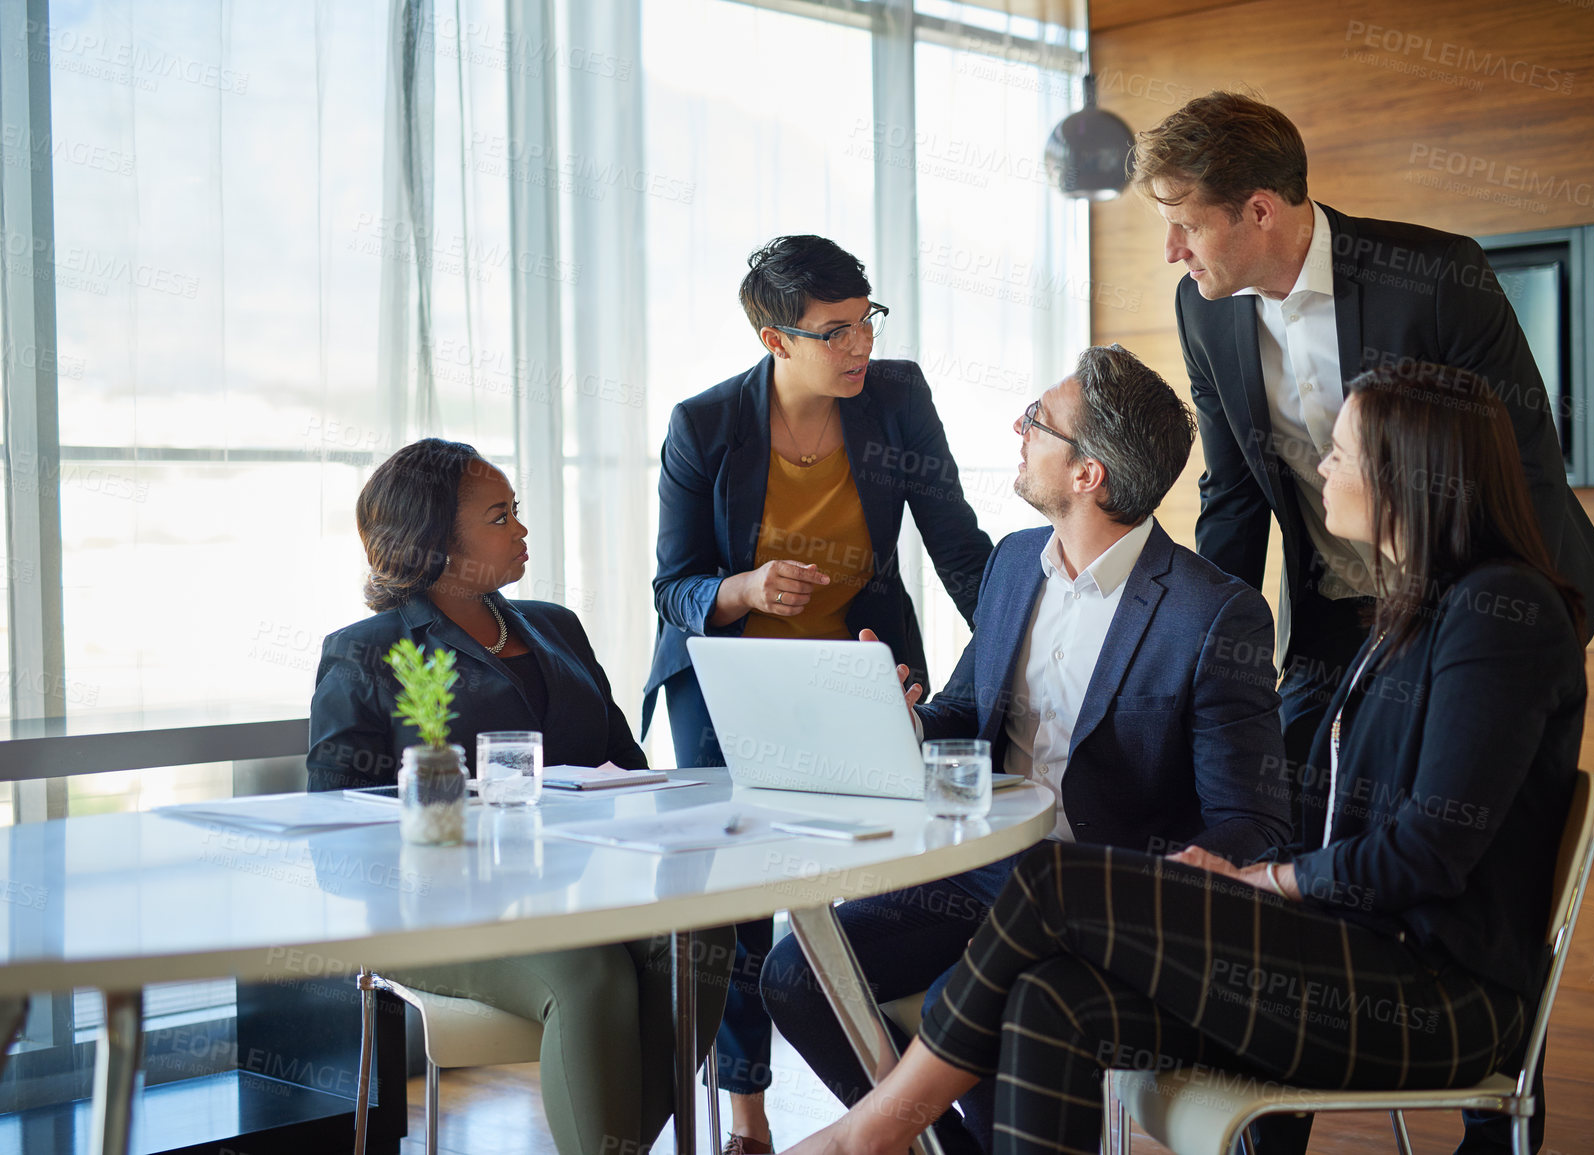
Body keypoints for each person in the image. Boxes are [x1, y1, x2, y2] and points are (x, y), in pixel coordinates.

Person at [783, 361, 1588, 1155]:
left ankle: (867, 1135)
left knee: (1049, 878)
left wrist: (1259, 879)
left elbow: (1428, 852)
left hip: (1429, 994)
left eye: (1339, 451)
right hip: (1355, 953)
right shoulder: (1410, 609)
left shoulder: (1501, 614)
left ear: (1406, 473)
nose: (1321, 466)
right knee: (1043, 999)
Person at [1135, 92, 1594, 1152]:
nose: (1170, 248)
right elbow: (1233, 501)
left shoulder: (1434, 277)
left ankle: (1498, 1111)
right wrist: (1198, 657)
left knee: (1469, 853)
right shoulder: (1205, 308)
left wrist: (1494, 646)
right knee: (1300, 847)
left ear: (1258, 209)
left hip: (1477, 603)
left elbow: (1517, 469)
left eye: (1184, 218)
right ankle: (1280, 1118)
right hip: (1333, 622)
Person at [760, 344, 1291, 1155]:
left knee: (979, 1015)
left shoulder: (1213, 615)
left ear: (1089, 476)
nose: (1020, 427)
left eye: (1038, 421)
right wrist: (898, 722)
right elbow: (965, 713)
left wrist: (1160, 886)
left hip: (1098, 901)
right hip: (976, 878)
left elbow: (1249, 823)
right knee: (796, 973)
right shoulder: (1013, 564)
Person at [645, 235, 994, 1154]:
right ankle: (748, 1112)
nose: (858, 348)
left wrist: (1015, 638)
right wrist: (745, 588)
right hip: (733, 678)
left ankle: (909, 1092)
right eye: (833, 332)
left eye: (865, 321)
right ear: (774, 340)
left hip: (855, 661)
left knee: (904, 863)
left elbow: (955, 541)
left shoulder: (896, 397)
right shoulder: (705, 425)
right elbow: (673, 586)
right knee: (740, 894)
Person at [308, 438, 733, 1155]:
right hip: (436, 909)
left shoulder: (555, 626)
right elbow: (335, 829)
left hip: (581, 890)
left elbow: (628, 767)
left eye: (516, 511)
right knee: (588, 972)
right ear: (434, 542)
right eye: (499, 516)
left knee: (701, 942)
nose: (521, 529)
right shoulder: (366, 651)